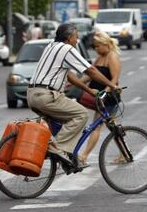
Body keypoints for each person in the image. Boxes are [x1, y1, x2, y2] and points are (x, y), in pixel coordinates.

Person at [27, 23, 119, 170]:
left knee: (62, 122)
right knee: (81, 114)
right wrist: (112, 85)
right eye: (76, 37)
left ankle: (66, 158)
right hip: (47, 95)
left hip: (33, 95)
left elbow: (70, 76)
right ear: (69, 38)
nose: (77, 40)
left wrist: (89, 91)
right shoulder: (67, 49)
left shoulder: (51, 46)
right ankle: (57, 148)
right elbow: (91, 71)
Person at [76, 31, 121, 164]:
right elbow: (92, 74)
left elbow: (114, 79)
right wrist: (77, 83)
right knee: (112, 127)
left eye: (97, 46)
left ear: (105, 44)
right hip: (100, 98)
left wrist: (106, 92)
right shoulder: (100, 57)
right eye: (94, 46)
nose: (95, 49)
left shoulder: (112, 57)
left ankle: (83, 156)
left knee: (96, 126)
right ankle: (125, 153)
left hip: (109, 98)